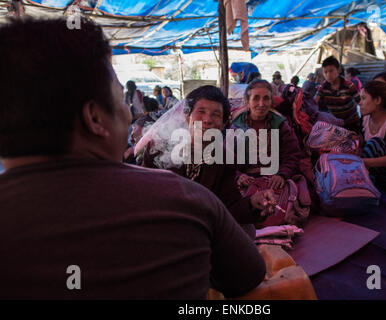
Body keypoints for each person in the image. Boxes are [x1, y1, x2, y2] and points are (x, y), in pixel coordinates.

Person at [0, 17, 265, 299]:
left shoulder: (215, 166)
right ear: (94, 118)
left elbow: (232, 205)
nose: (128, 115)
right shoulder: (185, 199)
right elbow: (248, 277)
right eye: (119, 99)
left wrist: (252, 206)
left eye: (216, 116)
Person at [140, 86, 277, 237]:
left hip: (198, 227)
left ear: (224, 124)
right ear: (188, 116)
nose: (207, 120)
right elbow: (145, 195)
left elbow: (229, 204)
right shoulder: (159, 148)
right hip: (162, 226)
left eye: (216, 114)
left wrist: (252, 203)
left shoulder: (224, 158)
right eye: (201, 112)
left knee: (247, 230)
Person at [231, 80, 303, 190]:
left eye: (266, 98)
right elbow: (226, 158)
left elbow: (292, 154)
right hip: (246, 179)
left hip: (274, 178)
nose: (261, 104)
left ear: (271, 102)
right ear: (247, 101)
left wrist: (282, 175)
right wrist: (238, 176)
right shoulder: (236, 125)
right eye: (256, 98)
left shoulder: (280, 125)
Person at [315, 56, 361, 132]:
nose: (328, 75)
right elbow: (314, 102)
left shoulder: (349, 85)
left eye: (331, 71)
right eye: (325, 72)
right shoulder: (323, 87)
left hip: (352, 122)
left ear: (339, 70)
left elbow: (360, 102)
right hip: (336, 124)